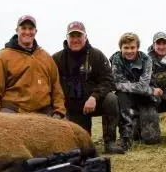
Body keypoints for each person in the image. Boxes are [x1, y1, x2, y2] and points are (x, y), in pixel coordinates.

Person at [52, 21, 122, 154]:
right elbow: (51, 84)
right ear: (67, 38)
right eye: (72, 36)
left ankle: (110, 142)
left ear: (85, 37)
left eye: (79, 36)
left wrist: (94, 97)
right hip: (72, 107)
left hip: (93, 103)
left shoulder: (96, 55)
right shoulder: (57, 59)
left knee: (111, 99)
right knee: (83, 147)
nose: (75, 40)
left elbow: (108, 81)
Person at [0, 15, 66, 118]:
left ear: (36, 31)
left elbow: (57, 90)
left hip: (43, 112)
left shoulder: (46, 58)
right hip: (13, 112)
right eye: (23, 28)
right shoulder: (3, 57)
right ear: (17, 30)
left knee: (68, 130)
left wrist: (59, 112)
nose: (27, 32)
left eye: (31, 29)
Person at [105, 32, 161, 149]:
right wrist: (150, 90)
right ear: (120, 48)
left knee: (152, 139)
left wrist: (145, 90)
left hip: (145, 97)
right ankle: (126, 138)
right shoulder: (116, 59)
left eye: (132, 47)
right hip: (128, 97)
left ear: (137, 48)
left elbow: (141, 86)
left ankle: (140, 127)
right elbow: (117, 85)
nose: (129, 51)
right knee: (121, 95)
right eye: (126, 48)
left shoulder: (146, 59)